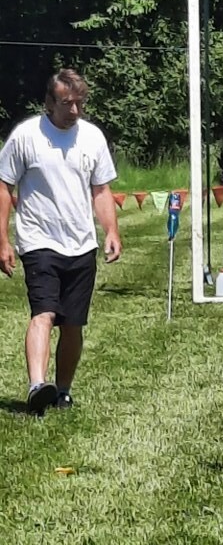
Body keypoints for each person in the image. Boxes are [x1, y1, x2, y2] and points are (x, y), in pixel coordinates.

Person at [0, 68, 121, 415]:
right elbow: (4, 186)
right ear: (49, 102)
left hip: (81, 244)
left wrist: (111, 231)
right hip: (38, 242)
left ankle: (63, 390)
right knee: (43, 313)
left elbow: (101, 190)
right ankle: (37, 386)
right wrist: (3, 240)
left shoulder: (92, 138)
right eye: (67, 103)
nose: (75, 110)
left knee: (73, 324)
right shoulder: (26, 136)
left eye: (80, 103)